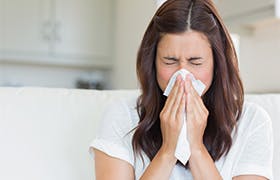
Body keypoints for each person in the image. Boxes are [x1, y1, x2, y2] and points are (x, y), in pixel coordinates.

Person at [89, 0, 273, 179]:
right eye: (170, 61)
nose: (183, 75)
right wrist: (168, 151)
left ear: (217, 64)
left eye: (196, 62)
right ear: (151, 62)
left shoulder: (252, 121)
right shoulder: (121, 116)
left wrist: (196, 148)